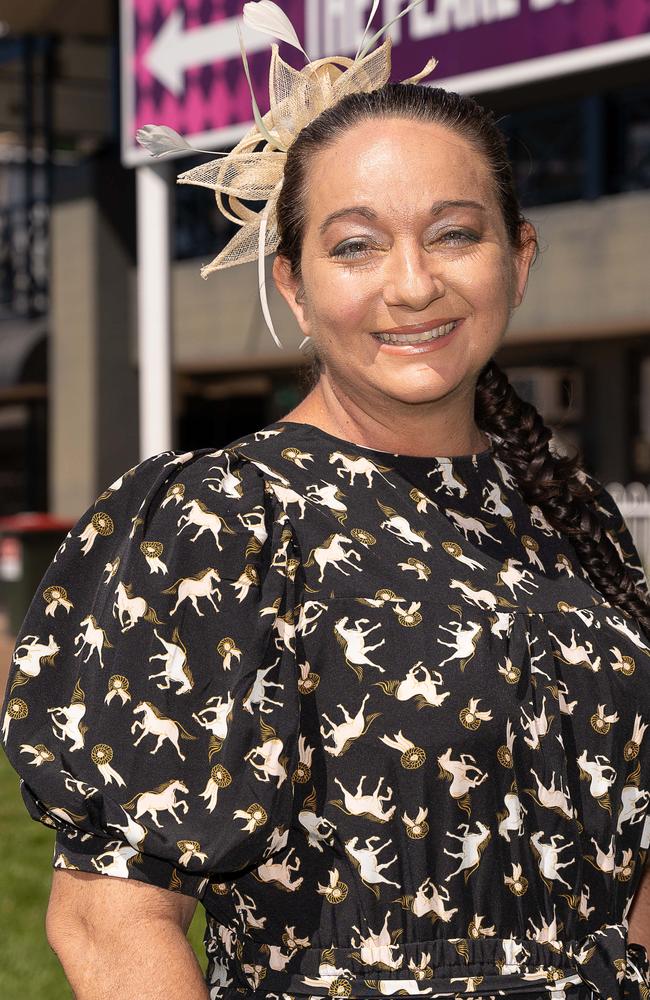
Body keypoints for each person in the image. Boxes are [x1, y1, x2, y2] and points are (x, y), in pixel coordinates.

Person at [2, 4, 650, 999]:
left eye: (454, 234)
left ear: (517, 260)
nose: (411, 284)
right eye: (354, 246)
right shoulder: (221, 517)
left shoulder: (568, 516)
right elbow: (108, 918)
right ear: (294, 288)